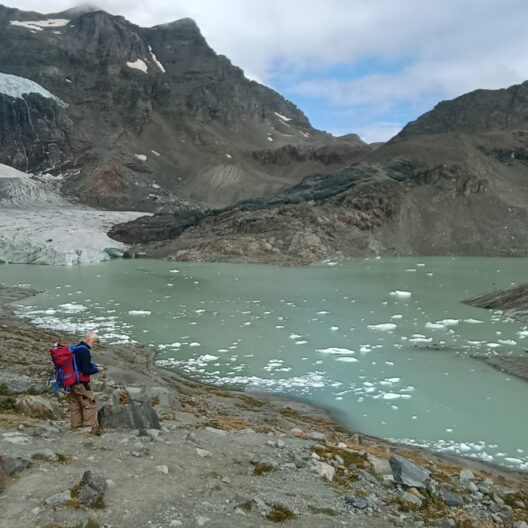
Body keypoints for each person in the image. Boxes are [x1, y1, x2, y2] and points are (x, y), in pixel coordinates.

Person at [69, 331, 105, 435]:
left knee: (75, 405)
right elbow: (85, 370)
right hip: (81, 384)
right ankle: (89, 430)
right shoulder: (84, 351)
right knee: (90, 404)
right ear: (89, 340)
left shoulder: (76, 348)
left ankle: (75, 428)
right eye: (94, 342)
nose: (95, 344)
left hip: (72, 382)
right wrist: (98, 369)